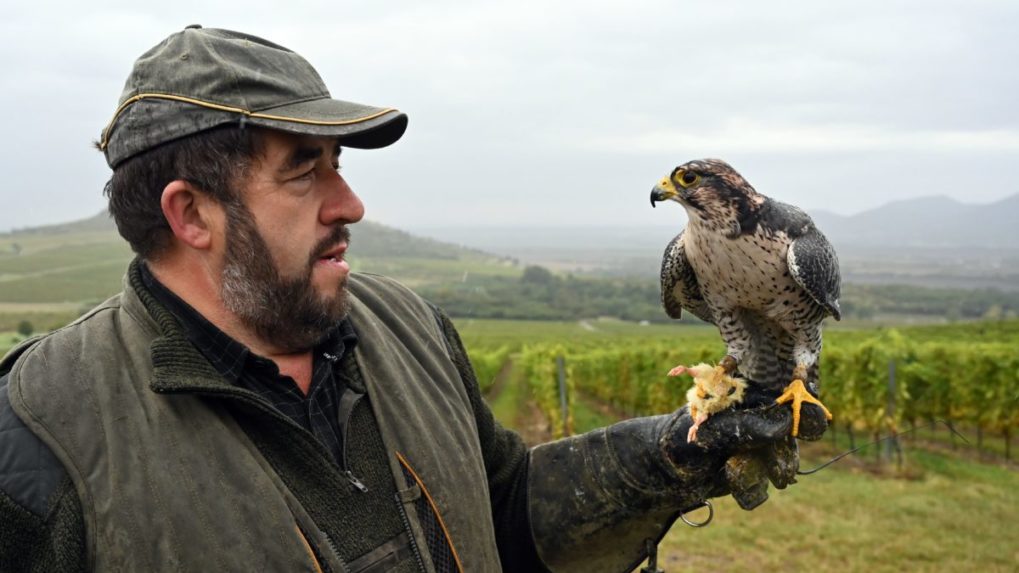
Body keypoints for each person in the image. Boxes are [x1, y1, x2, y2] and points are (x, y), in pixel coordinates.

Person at [0, 26, 822, 573]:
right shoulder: (41, 433)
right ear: (190, 213)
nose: (349, 203)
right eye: (304, 170)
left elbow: (501, 513)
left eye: (340, 163)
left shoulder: (408, 327)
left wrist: (662, 459)